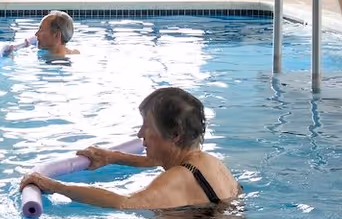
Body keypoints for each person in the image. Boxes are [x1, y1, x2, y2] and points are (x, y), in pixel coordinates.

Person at [22, 86, 241, 212]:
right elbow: (157, 161)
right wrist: (113, 157)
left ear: (174, 136)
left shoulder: (176, 178)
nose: (140, 134)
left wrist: (54, 185)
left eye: (147, 126)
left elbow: (122, 203)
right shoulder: (212, 163)